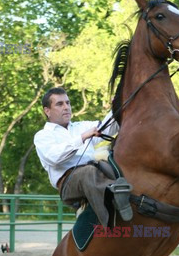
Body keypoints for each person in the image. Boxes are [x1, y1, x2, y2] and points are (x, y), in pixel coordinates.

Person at [34, 87, 132, 227]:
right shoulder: (42, 136)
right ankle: (109, 224)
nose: (66, 107)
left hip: (96, 173)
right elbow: (54, 158)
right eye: (60, 104)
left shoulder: (82, 125)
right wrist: (83, 137)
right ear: (47, 111)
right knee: (88, 171)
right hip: (68, 183)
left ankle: (125, 197)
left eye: (68, 103)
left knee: (114, 162)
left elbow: (108, 129)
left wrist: (117, 108)